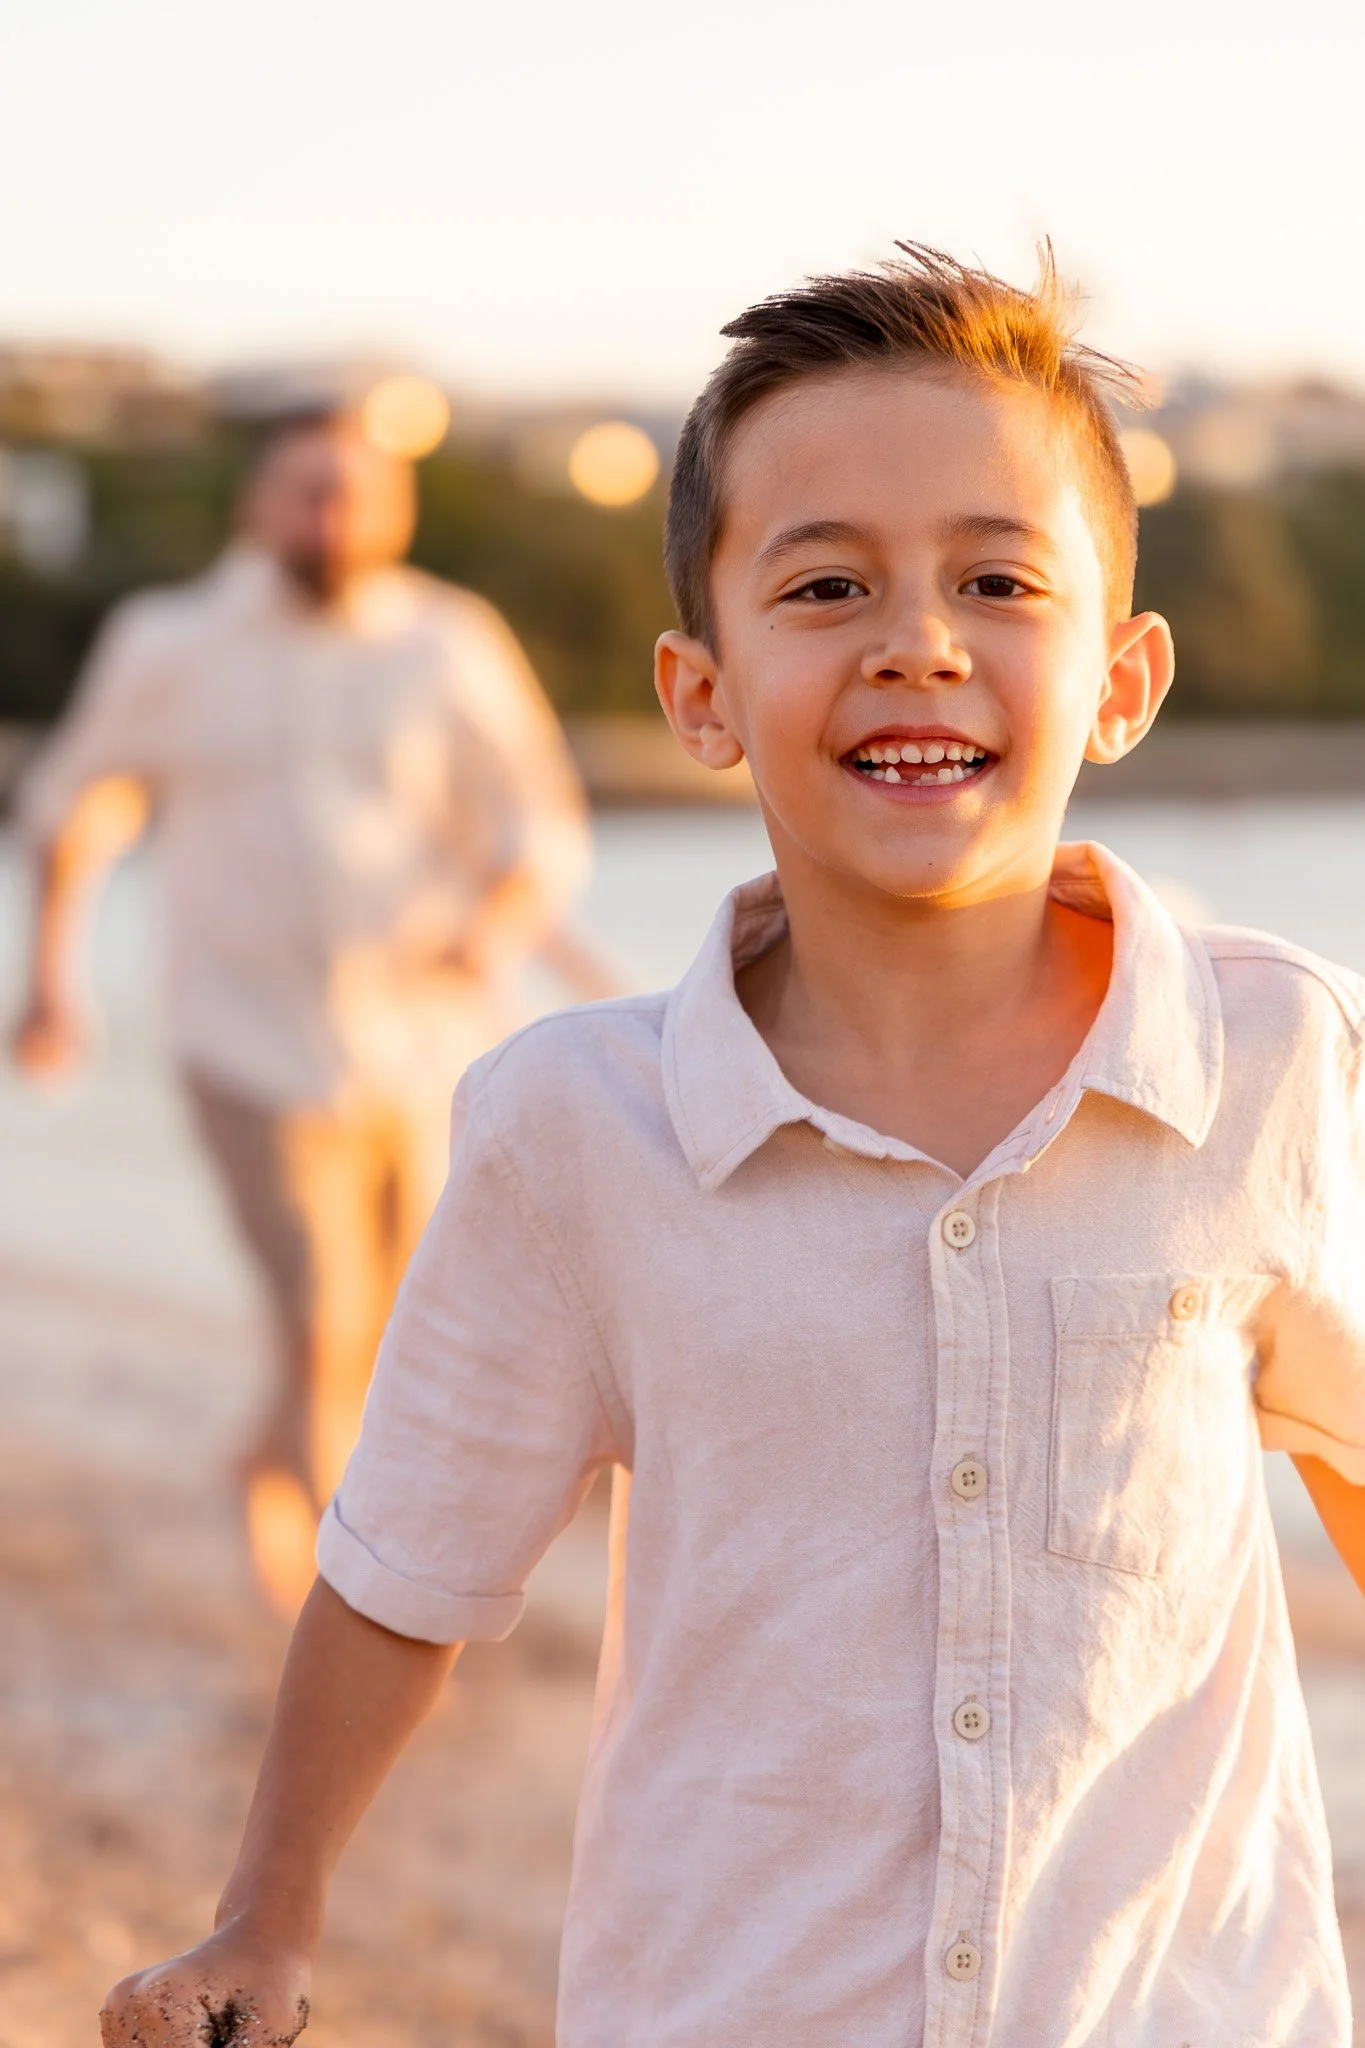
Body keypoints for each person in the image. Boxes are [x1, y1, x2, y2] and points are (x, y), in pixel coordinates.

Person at [100, 247, 1365, 2047]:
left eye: (998, 579)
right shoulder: (573, 1127)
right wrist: (264, 1914)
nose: (916, 637)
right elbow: (406, 1567)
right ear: (701, 693)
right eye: (828, 581)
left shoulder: (1271, 1052)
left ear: (1123, 679)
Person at [11, 407, 597, 1531]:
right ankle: (356, 1588)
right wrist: (50, 983)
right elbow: (74, 810)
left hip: (428, 1044)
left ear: (398, 511)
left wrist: (498, 921)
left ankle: (272, 1466)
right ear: (258, 504)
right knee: (321, 1306)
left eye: (355, 494)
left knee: (395, 1320)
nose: (330, 517)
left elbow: (541, 823)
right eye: (305, 491)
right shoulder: (168, 641)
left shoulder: (449, 640)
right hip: (241, 1036)